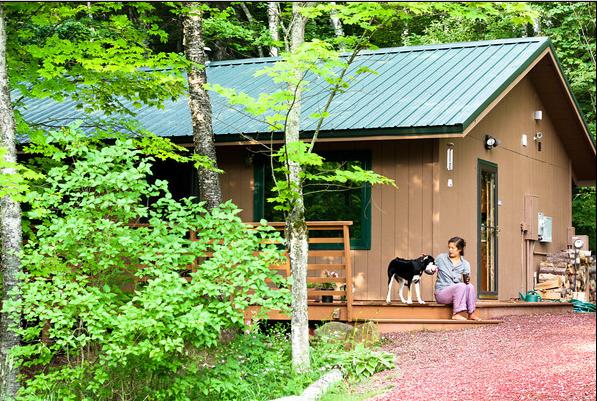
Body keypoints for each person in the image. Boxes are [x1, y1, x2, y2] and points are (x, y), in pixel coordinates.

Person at [434, 237, 481, 320]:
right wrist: (427, 265)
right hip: (442, 293)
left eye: (452, 248)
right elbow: (429, 269)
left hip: (458, 293)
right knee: (461, 286)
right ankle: (456, 314)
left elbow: (466, 281)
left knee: (470, 286)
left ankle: (471, 313)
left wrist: (466, 279)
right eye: (449, 247)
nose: (450, 250)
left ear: (459, 249)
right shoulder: (441, 258)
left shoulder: (465, 264)